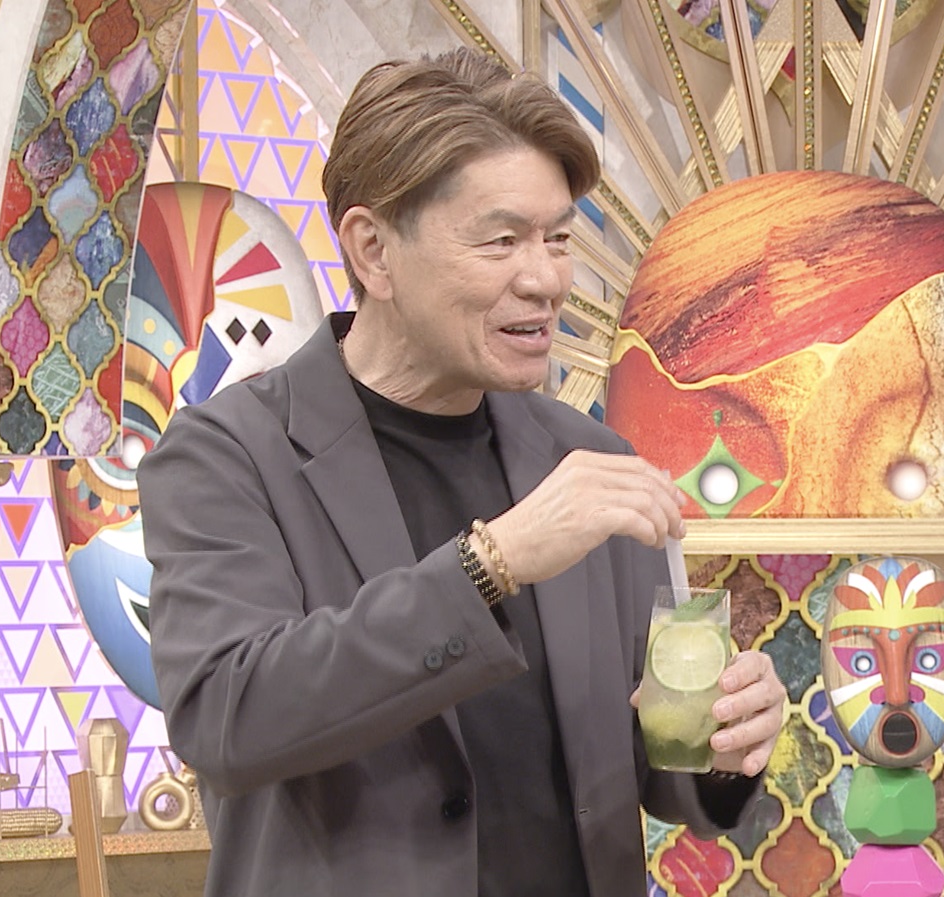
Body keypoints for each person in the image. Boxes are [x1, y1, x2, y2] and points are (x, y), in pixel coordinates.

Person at [138, 47, 787, 896]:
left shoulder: (589, 461)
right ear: (373, 250)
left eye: (558, 239)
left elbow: (659, 766)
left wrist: (728, 739)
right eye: (502, 240)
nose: (546, 279)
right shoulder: (227, 456)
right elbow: (230, 718)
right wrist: (493, 563)